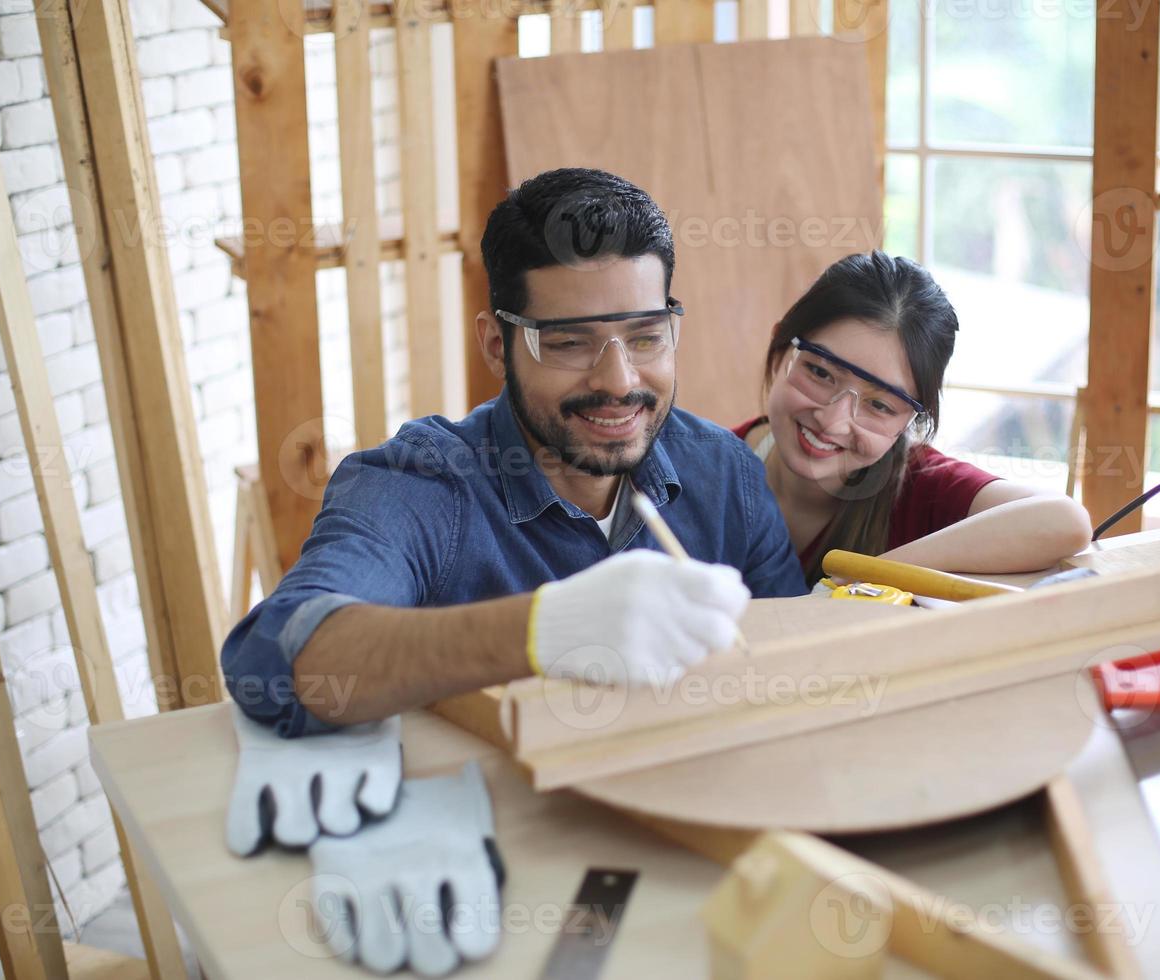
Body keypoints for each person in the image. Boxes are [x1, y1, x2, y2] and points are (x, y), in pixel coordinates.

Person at [221, 168, 805, 736]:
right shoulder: (423, 485)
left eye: (645, 336)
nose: (618, 381)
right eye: (570, 342)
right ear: (497, 347)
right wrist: (544, 630)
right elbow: (272, 666)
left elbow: (800, 671)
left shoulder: (727, 476)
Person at [733, 251, 1093, 586]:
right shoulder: (703, 462)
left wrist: (871, 575)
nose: (834, 421)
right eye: (820, 373)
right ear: (781, 350)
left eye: (881, 406)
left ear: (909, 421)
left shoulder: (921, 487)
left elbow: (1066, 522)